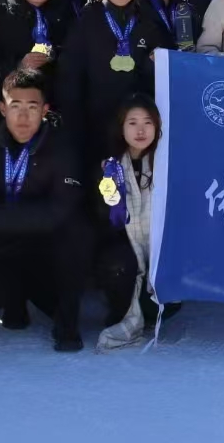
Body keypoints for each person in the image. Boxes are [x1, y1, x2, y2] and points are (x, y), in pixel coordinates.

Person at [0, 68, 88, 351]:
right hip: (8, 238)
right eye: (15, 106)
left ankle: (66, 322)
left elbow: (59, 212)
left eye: (32, 107)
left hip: (50, 241)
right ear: (2, 109)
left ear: (44, 110)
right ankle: (14, 300)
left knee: (77, 233)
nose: (22, 116)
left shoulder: (63, 148)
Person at [60, 0, 168, 165]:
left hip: (136, 124)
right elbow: (70, 73)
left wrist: (151, 65)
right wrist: (74, 120)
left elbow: (161, 76)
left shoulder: (148, 21)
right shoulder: (87, 20)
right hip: (95, 121)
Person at [95, 97, 164, 350]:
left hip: (158, 248)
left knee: (160, 305)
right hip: (125, 246)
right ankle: (122, 309)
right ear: (121, 127)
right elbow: (103, 218)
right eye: (132, 123)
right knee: (118, 265)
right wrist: (109, 193)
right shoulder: (111, 165)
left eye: (148, 122)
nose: (141, 130)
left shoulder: (165, 161)